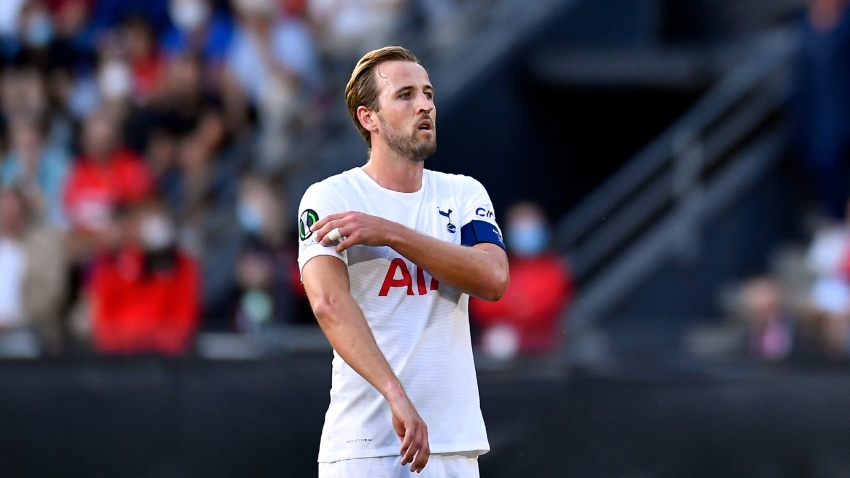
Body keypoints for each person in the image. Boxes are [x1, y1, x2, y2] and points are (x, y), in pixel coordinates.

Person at [298, 46, 509, 476]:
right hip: (365, 445)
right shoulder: (330, 197)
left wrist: (391, 233)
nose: (425, 105)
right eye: (406, 94)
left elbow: (493, 278)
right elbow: (328, 304)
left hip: (452, 442)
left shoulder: (463, 194)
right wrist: (395, 394)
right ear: (368, 118)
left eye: (428, 93)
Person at [469, 201, 572, 359]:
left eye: (531, 226)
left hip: (546, 352)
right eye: (520, 228)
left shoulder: (555, 269)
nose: (526, 233)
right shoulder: (499, 266)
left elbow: (554, 302)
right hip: (500, 353)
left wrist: (515, 307)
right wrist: (517, 307)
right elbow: (481, 305)